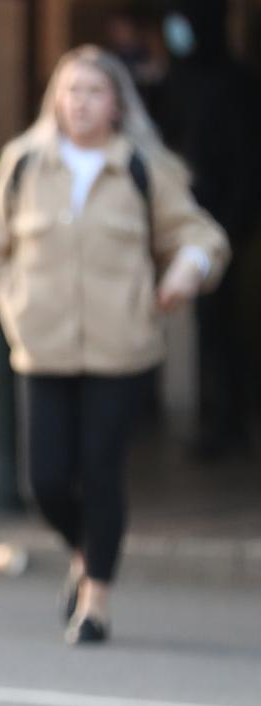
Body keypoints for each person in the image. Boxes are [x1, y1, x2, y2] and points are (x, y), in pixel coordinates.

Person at [0, 46, 229, 644]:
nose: (80, 102)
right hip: (42, 350)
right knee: (47, 482)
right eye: (70, 90)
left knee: (101, 474)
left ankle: (96, 600)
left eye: (94, 92)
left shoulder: (143, 165)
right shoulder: (24, 163)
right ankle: (87, 551)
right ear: (54, 99)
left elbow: (201, 235)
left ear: (117, 103)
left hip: (122, 349)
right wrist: (15, 304)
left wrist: (186, 269)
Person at [159, 0, 261, 459]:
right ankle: (214, 418)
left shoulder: (236, 84)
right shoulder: (181, 79)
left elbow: (246, 159)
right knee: (203, 325)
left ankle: (228, 419)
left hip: (224, 222)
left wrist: (233, 220)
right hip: (185, 222)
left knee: (223, 324)